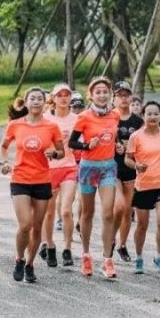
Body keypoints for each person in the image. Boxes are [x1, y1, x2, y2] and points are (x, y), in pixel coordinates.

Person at [0, 87, 65, 283]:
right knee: (25, 225)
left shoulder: (51, 127)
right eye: (32, 98)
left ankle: (29, 264)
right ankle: (19, 259)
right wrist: (4, 162)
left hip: (42, 180)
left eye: (40, 99)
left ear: (44, 103)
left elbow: (61, 152)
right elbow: (3, 146)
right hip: (20, 179)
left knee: (37, 228)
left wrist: (53, 154)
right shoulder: (15, 125)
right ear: (26, 102)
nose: (36, 101)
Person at [69, 76, 120, 278]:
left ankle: (107, 260)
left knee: (108, 213)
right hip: (89, 167)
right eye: (97, 92)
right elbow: (72, 142)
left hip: (109, 167)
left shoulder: (115, 115)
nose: (101, 95)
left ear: (109, 94)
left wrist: (119, 146)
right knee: (87, 213)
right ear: (91, 95)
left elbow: (116, 138)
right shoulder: (83, 117)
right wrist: (85, 146)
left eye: (105, 91)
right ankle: (86, 254)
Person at [124, 101, 160, 274]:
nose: (152, 117)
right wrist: (136, 165)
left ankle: (159, 256)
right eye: (149, 114)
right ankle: (138, 257)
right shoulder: (135, 136)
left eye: (156, 114)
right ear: (143, 116)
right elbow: (127, 159)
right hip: (143, 185)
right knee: (142, 225)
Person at [40, 83, 78, 268]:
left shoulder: (77, 119)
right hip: (48, 169)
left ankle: (68, 248)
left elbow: (82, 142)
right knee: (49, 212)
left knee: (65, 211)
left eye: (67, 95)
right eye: (60, 95)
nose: (64, 98)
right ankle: (50, 245)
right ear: (53, 98)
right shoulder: (44, 118)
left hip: (69, 166)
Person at [112, 80, 142, 262]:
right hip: (112, 168)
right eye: (120, 95)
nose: (123, 99)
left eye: (126, 95)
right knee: (119, 206)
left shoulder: (138, 121)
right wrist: (114, 146)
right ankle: (111, 239)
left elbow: (144, 144)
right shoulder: (109, 118)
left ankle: (122, 245)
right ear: (114, 98)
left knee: (127, 211)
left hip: (131, 169)